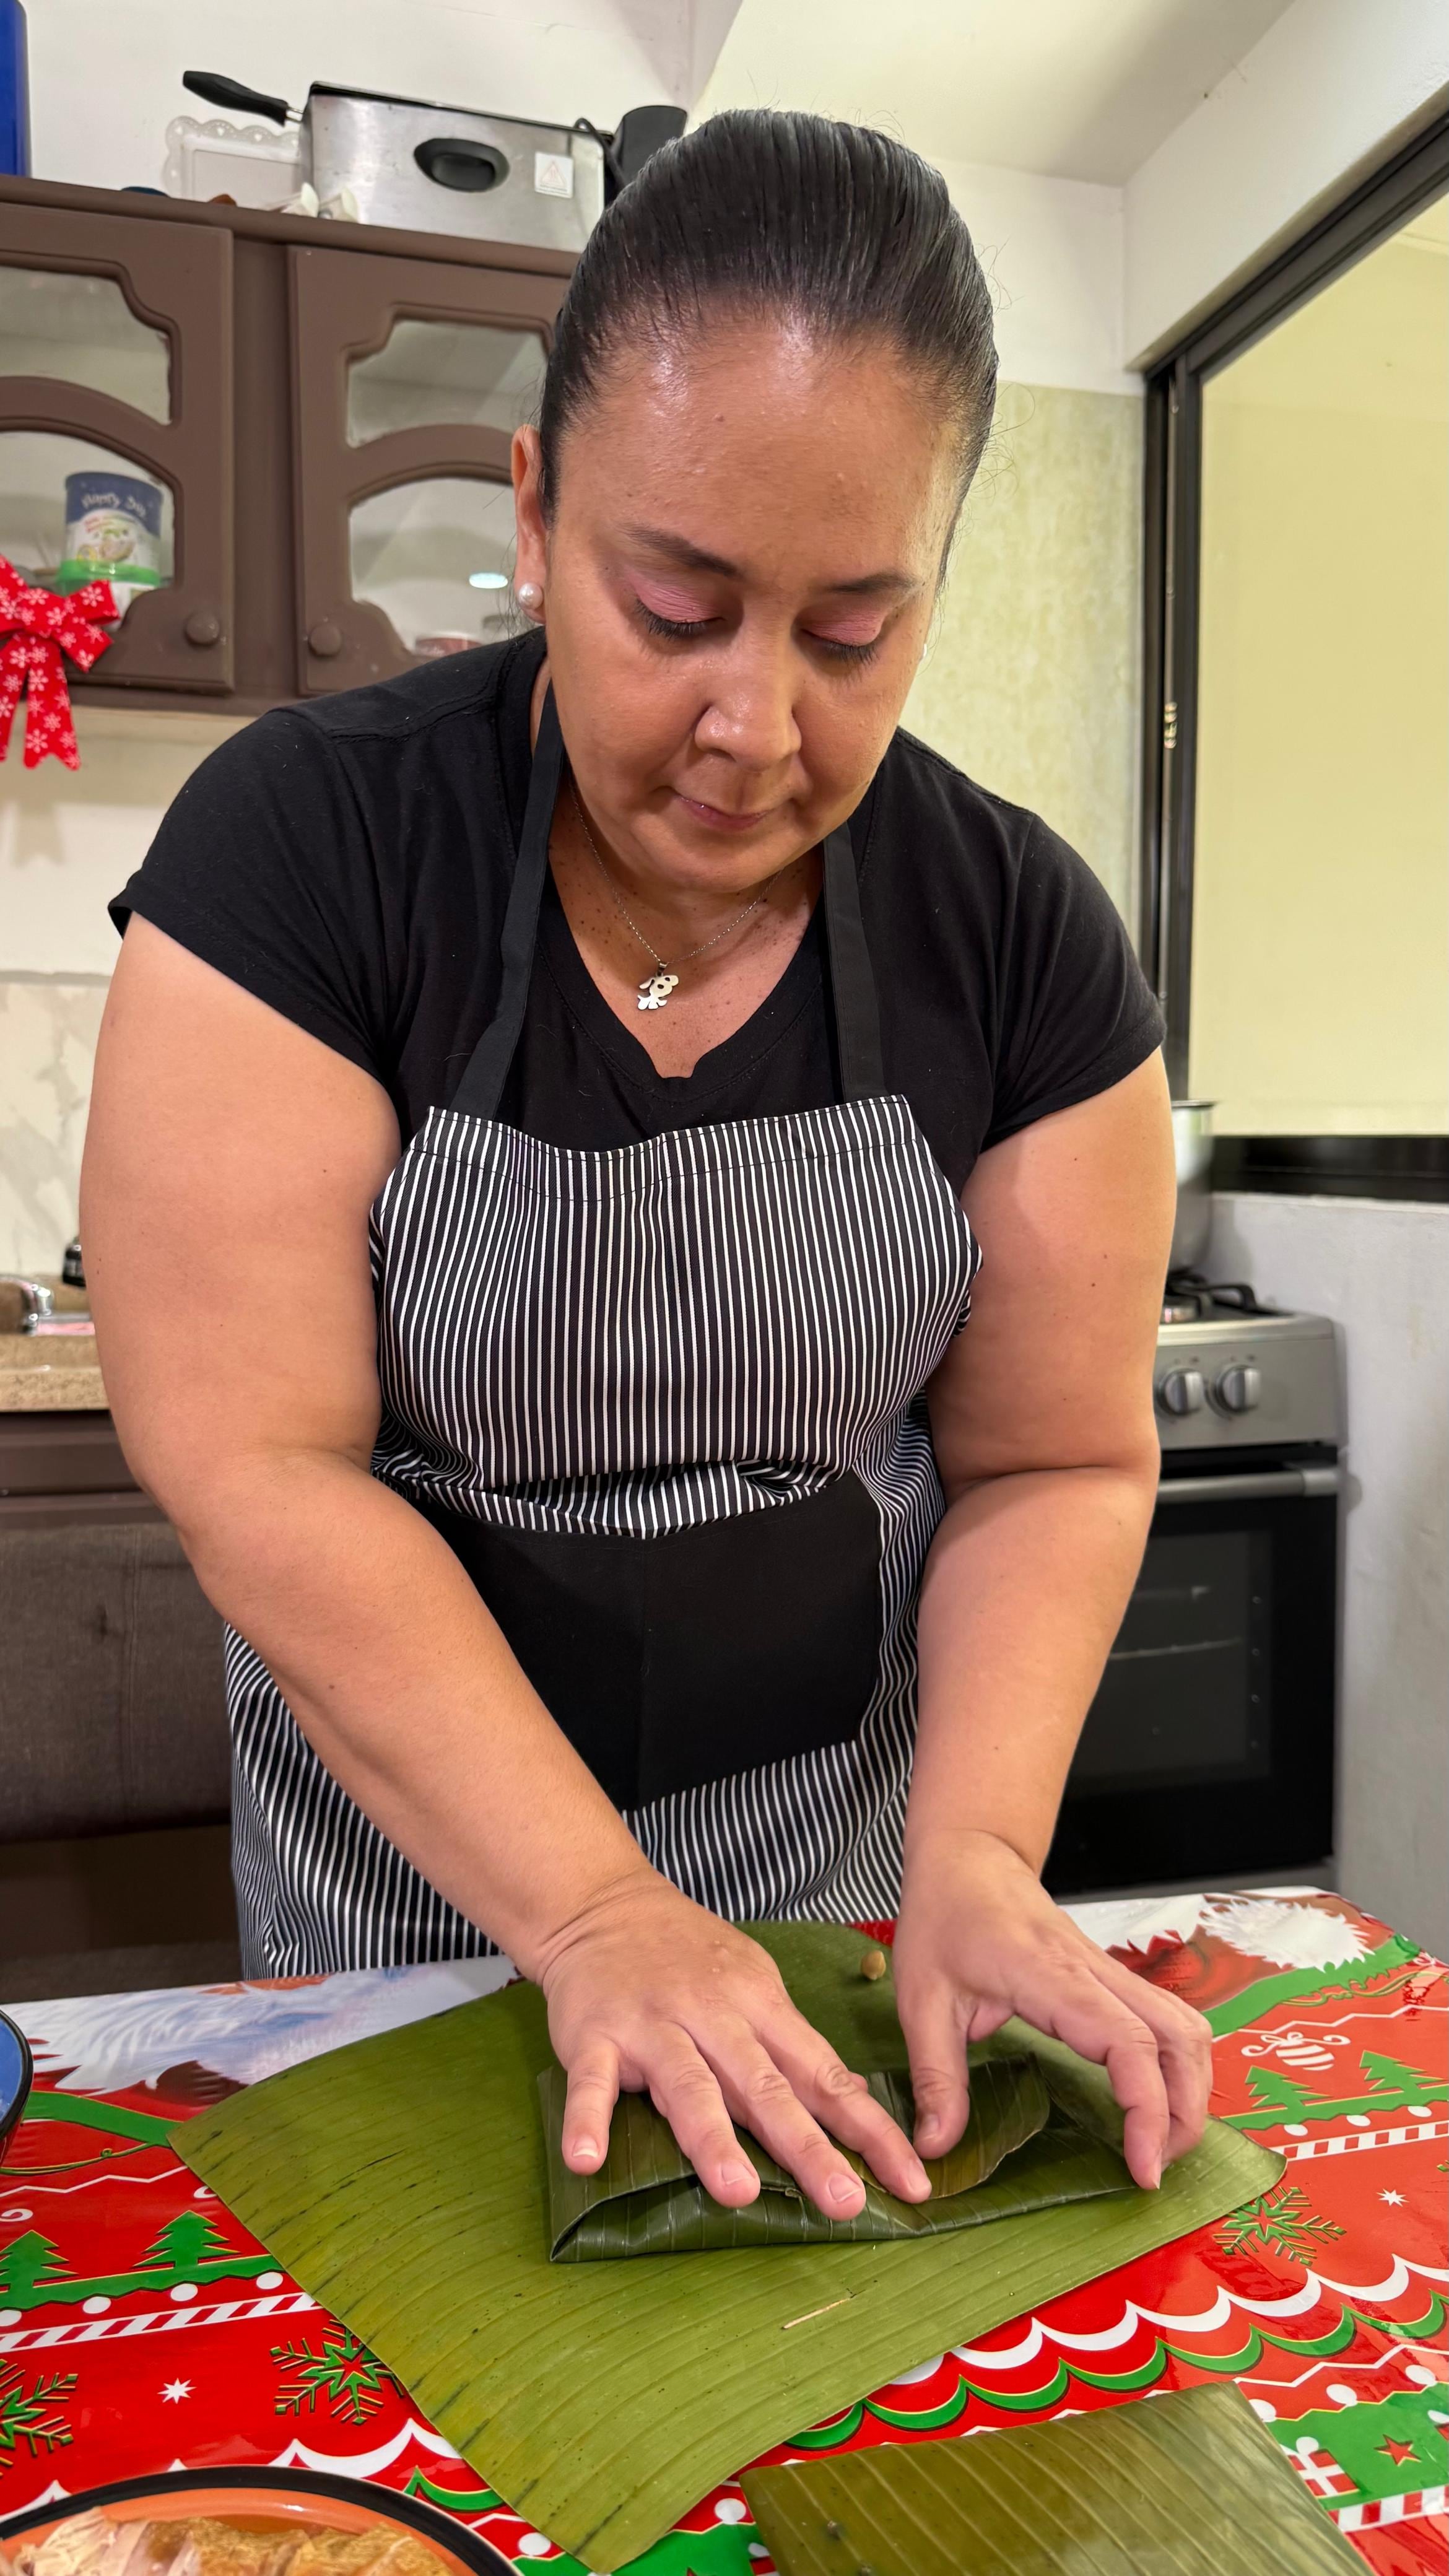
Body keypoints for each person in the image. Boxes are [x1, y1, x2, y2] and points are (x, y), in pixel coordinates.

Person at [84, 109, 1209, 2224]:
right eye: (674, 605)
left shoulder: (1019, 928)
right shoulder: (306, 849)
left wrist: (973, 1861)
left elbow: (1056, 1466)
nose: (753, 725)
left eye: (851, 632)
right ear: (531, 508)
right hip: (411, 1905)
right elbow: (257, 1460)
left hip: (834, 1907)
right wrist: (593, 1917)